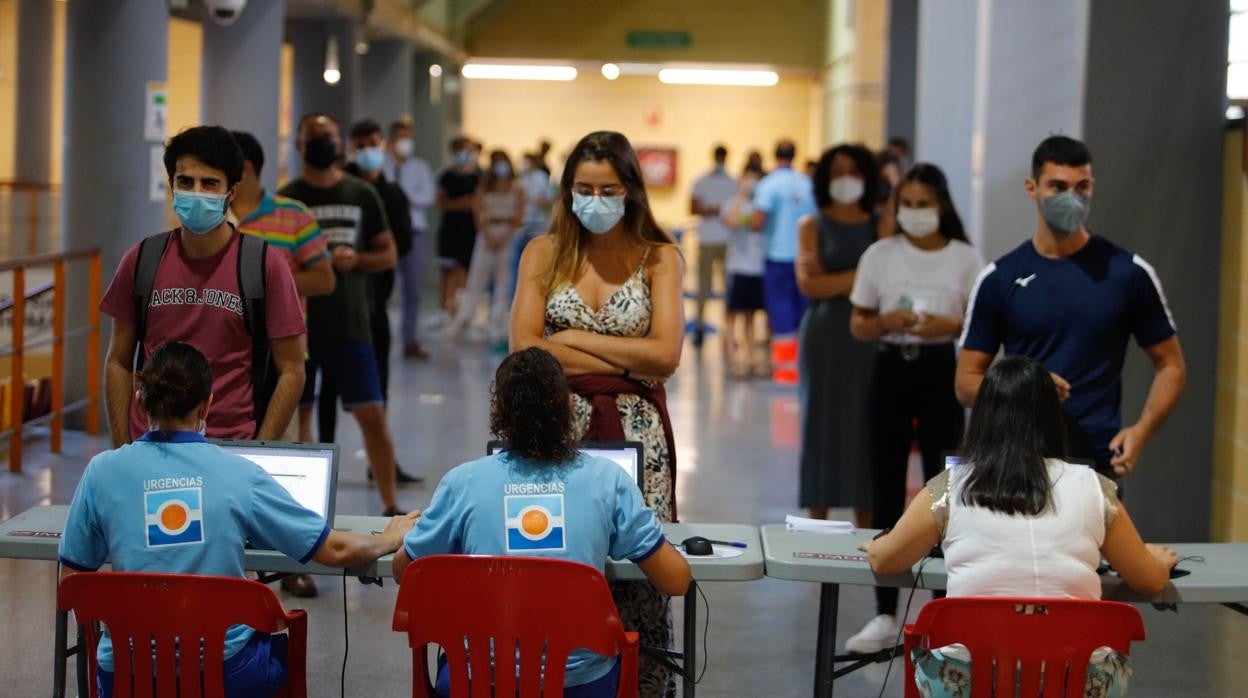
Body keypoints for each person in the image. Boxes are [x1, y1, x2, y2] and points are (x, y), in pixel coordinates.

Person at [60, 342, 419, 698]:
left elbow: (72, 580)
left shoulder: (100, 473)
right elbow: (335, 550)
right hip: (224, 673)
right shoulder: (239, 475)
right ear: (208, 404)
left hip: (126, 675)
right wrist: (390, 536)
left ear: (139, 399)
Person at [862, 356, 1177, 696]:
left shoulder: (951, 487)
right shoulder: (1094, 488)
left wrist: (878, 543)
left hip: (975, 683)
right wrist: (1156, 560)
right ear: (1051, 418)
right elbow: (1150, 580)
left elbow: (886, 560)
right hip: (1074, 682)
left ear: (984, 416)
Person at [392, 347, 691, 698]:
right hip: (580, 686)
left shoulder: (463, 483)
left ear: (498, 412)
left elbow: (405, 572)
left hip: (476, 683)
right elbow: (676, 580)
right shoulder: (608, 481)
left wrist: (399, 538)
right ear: (567, 408)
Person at [511, 131, 685, 697]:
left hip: (638, 435)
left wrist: (571, 339)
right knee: (555, 557)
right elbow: (522, 349)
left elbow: (665, 356)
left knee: (639, 571)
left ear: (631, 190)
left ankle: (641, 684)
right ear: (566, 191)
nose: (596, 199)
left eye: (609, 188)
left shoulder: (660, 257)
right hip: (551, 429)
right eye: (584, 188)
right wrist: (622, 356)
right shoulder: (543, 251)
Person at [957, 136, 1186, 479]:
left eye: (1082, 187)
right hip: (1015, 460)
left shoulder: (1128, 273)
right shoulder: (999, 278)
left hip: (1094, 462)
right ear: (1032, 188)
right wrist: (1028, 389)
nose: (1071, 198)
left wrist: (1141, 432)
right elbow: (965, 382)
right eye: (1058, 186)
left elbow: (1171, 365)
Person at [843, 163, 984, 653]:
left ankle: (944, 610)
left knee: (949, 486)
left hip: (942, 368)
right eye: (908, 203)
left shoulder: (967, 258)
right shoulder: (879, 255)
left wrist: (951, 324)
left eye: (925, 204)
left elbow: (979, 328)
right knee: (886, 483)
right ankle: (883, 612)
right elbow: (858, 324)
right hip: (891, 367)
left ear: (941, 205)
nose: (915, 213)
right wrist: (885, 320)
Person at [102, 126, 306, 447]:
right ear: (171, 186)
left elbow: (292, 368)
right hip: (152, 444)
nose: (196, 192)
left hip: (231, 446)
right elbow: (117, 361)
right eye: (185, 182)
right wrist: (122, 447)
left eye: (209, 183)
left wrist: (259, 451)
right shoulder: (141, 260)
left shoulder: (263, 266)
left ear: (231, 192)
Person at [278, 113, 407, 518]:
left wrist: (358, 260)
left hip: (352, 323)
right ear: (299, 145)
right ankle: (299, 511)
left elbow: (388, 253)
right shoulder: (287, 200)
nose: (321, 142)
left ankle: (389, 506)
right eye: (313, 136)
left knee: (372, 412)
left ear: (340, 144)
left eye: (328, 135)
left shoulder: (361, 193)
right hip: (298, 328)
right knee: (300, 419)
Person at [229, 130, 336, 443]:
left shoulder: (293, 215)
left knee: (276, 448)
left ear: (245, 169)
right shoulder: (211, 220)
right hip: (223, 354)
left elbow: (324, 278)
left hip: (279, 356)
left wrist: (261, 286)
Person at [794, 143, 880, 525]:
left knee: (868, 424)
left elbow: (885, 283)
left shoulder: (882, 223)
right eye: (838, 172)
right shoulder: (811, 224)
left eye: (855, 172)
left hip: (868, 334)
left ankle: (868, 518)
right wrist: (864, 271)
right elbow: (810, 287)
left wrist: (835, 278)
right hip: (825, 334)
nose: (847, 180)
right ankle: (818, 519)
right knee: (822, 422)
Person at [439, 149, 525, 346]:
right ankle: (463, 320)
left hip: (508, 235)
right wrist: (486, 234)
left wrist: (504, 235)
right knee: (476, 278)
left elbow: (519, 216)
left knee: (505, 281)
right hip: (486, 235)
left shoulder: (516, 187)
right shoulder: (484, 186)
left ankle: (499, 324)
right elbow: (478, 212)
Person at [749, 139, 818, 383]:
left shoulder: (769, 184)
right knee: (803, 312)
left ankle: (786, 371)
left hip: (777, 257)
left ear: (774, 155)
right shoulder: (807, 183)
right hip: (806, 257)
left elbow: (757, 221)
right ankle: (804, 366)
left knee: (781, 312)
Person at [384, 120, 435, 360]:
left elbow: (427, 196)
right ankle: (380, 338)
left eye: (409, 137)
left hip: (414, 232)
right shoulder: (382, 167)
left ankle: (410, 340)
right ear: (391, 140)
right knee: (382, 287)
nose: (406, 142)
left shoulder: (420, 167)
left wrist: (402, 197)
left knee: (412, 290)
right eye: (402, 137)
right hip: (386, 232)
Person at [719, 163, 767, 377]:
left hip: (756, 267)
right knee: (732, 315)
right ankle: (732, 355)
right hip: (737, 266)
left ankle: (749, 357)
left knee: (750, 316)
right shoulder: (732, 203)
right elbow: (730, 220)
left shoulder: (762, 205)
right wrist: (742, 195)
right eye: (747, 179)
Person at [430, 136, 481, 328]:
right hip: (449, 230)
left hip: (470, 230)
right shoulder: (445, 175)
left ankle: (463, 313)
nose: (465, 154)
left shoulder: (477, 175)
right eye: (460, 149)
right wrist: (465, 202)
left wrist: (464, 203)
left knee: (466, 271)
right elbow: (442, 203)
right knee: (447, 270)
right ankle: (443, 310)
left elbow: (478, 202)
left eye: (468, 150)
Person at [689, 145, 737, 347]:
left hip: (727, 240)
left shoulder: (733, 182)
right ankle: (700, 325)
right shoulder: (702, 181)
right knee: (704, 286)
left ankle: (727, 329)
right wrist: (716, 209)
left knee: (727, 287)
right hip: (709, 238)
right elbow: (693, 208)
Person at [510, 151, 555, 299]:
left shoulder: (541, 177)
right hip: (521, 225)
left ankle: (538, 296)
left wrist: (539, 201)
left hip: (537, 225)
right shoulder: (518, 179)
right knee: (515, 264)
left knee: (539, 263)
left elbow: (549, 199)